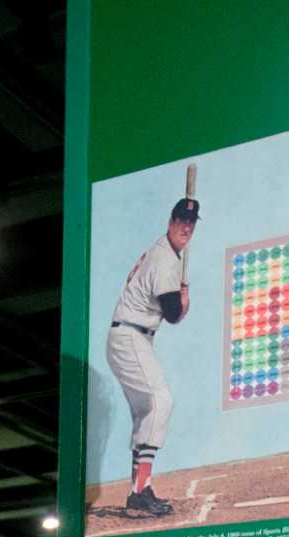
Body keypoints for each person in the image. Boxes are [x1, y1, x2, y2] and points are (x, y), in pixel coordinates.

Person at [107, 195, 198, 517]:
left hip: (132, 335)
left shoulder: (163, 251)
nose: (186, 227)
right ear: (170, 222)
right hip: (130, 334)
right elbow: (173, 314)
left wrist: (179, 301)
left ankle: (139, 490)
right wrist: (184, 303)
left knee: (147, 411)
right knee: (161, 402)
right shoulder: (165, 259)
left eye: (191, 223)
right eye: (180, 221)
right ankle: (139, 491)